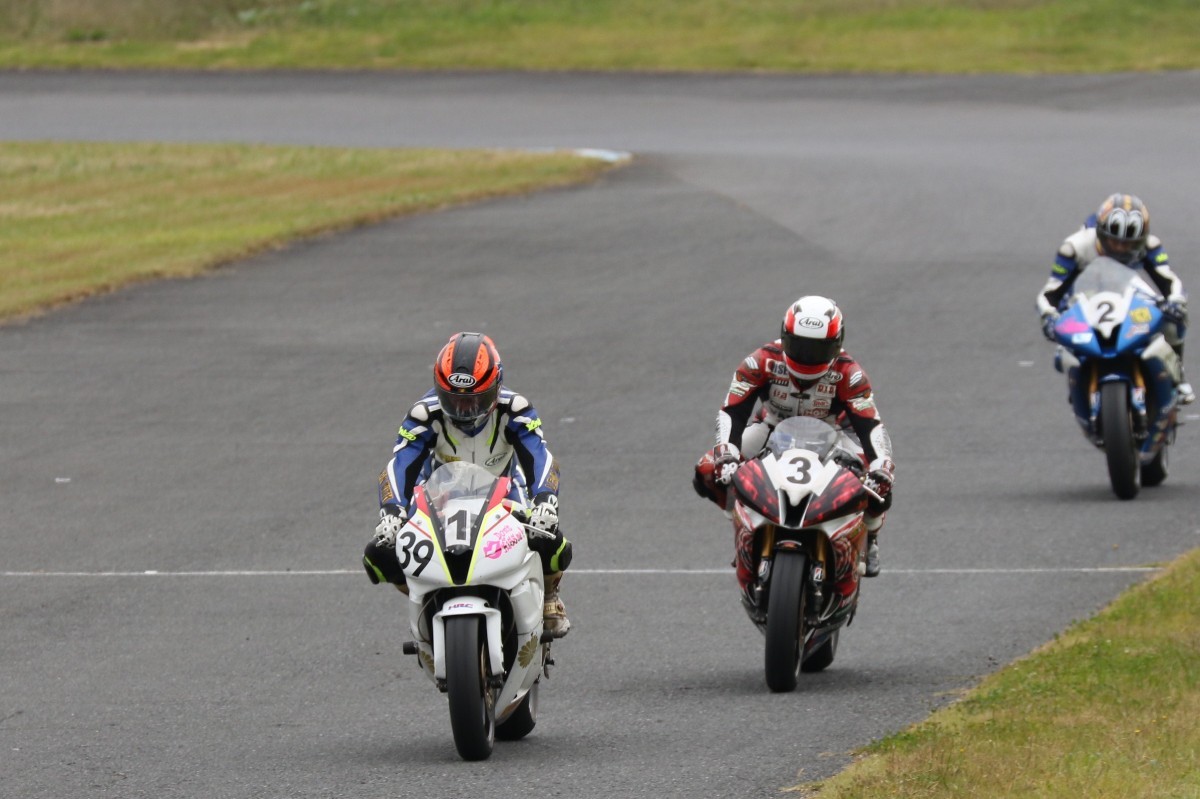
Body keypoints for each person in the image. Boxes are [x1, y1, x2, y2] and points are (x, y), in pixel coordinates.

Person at [362, 331, 573, 637]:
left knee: (549, 539)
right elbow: (399, 465)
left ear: (496, 387)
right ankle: (427, 598)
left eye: (476, 399)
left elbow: (541, 458)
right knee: (380, 555)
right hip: (440, 496)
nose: (465, 409)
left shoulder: (515, 409)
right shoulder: (424, 414)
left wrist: (545, 500)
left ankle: (550, 594)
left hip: (505, 491)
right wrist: (392, 511)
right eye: (455, 399)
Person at [693, 295, 896, 577]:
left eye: (818, 349)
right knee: (707, 470)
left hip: (836, 432)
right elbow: (732, 411)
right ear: (784, 336)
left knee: (878, 486)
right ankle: (743, 524)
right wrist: (726, 453)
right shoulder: (760, 361)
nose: (807, 356)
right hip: (773, 426)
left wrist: (880, 466)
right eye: (799, 346)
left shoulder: (850, 374)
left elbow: (870, 425)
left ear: (837, 343)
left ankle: (870, 538)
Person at [1037, 193, 1193, 405]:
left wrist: (1174, 301)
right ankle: (1080, 383)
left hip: (1128, 293)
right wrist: (1049, 316)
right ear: (1101, 233)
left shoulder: (1150, 245)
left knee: (1174, 320)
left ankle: (1178, 376)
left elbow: (1170, 281)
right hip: (1082, 298)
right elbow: (1050, 292)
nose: (1120, 248)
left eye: (1128, 244)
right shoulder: (1074, 248)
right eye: (1114, 241)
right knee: (1063, 349)